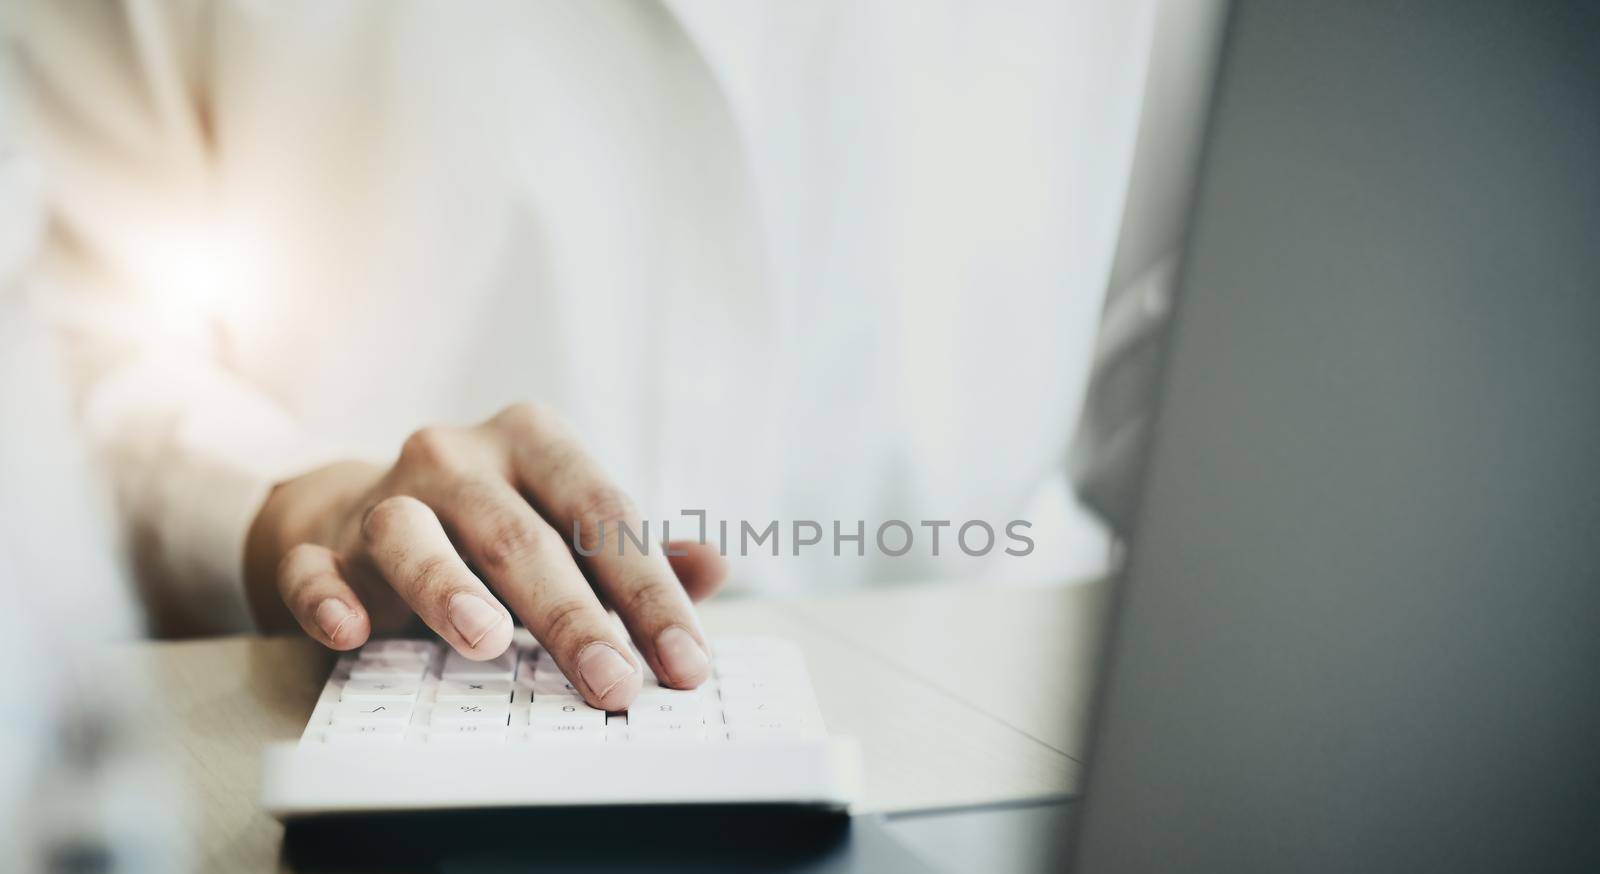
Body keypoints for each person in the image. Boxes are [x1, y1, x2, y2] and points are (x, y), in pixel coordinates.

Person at [2, 0, 1222, 712]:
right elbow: (56, 314)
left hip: (1010, 710)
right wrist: (287, 499)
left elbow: (1218, 294)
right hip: (350, 715)